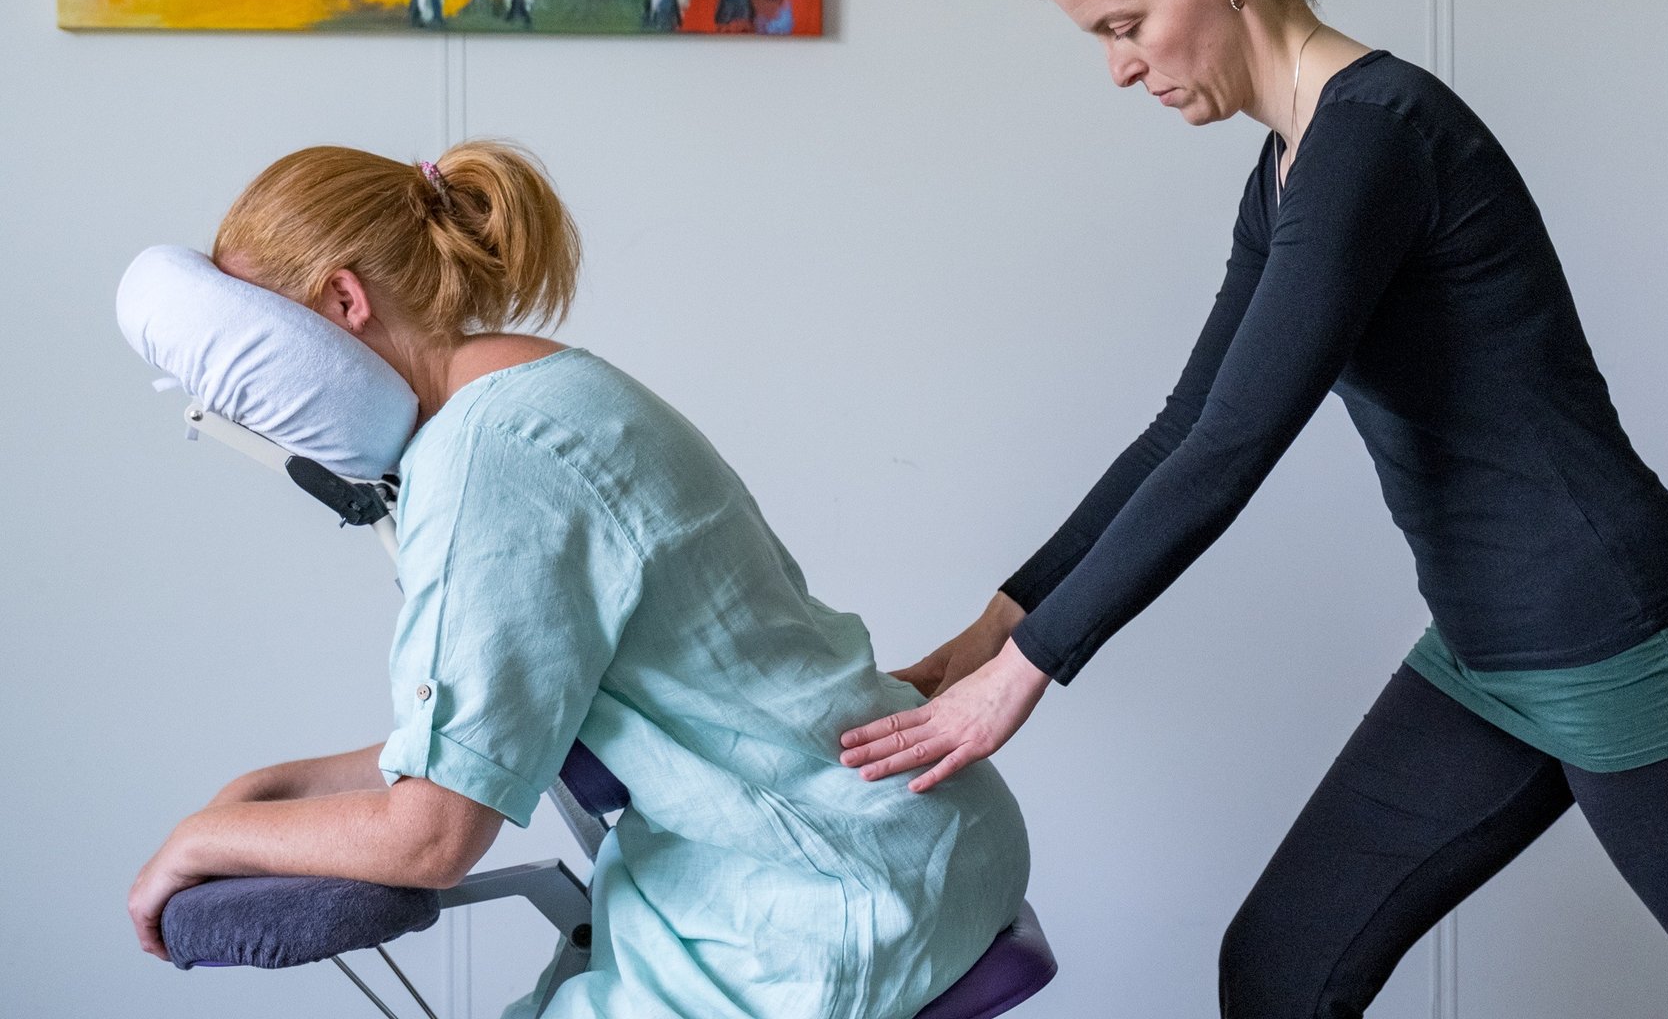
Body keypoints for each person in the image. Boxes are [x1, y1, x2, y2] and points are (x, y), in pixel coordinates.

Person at [839, 0, 1668, 1018]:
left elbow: (1236, 448)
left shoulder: (1377, 136)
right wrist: (988, 629)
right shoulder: (1291, 163)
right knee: (1282, 967)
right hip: (1488, 654)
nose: (1119, 65)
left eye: (1127, 22)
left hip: (1631, 645)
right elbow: (1185, 421)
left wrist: (1025, 672)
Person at [128, 141, 1030, 1019]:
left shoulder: (483, 463)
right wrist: (277, 786)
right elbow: (482, 739)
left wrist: (195, 839)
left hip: (821, 901)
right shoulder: (541, 384)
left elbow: (432, 837)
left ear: (342, 299)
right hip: (894, 838)